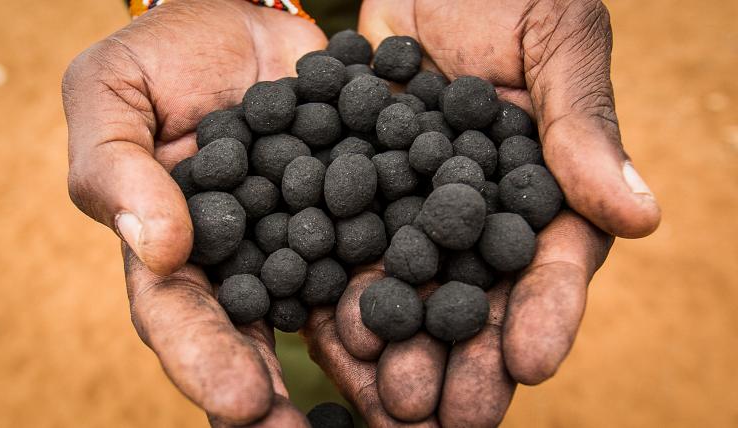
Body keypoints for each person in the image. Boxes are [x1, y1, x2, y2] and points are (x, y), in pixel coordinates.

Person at [62, 0, 661, 426]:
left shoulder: (449, 157)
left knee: (373, 341)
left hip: (435, 34)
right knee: (302, 333)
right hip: (264, 23)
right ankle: (306, 368)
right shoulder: (285, 183)